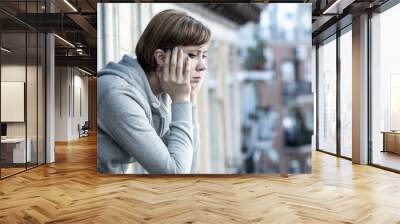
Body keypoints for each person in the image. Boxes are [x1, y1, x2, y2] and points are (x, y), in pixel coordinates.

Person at [97, 9, 210, 174]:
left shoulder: (160, 92)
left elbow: (189, 168)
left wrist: (191, 99)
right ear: (161, 58)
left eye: (204, 56)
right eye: (192, 55)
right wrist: (181, 100)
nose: (202, 66)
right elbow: (174, 174)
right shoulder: (118, 94)